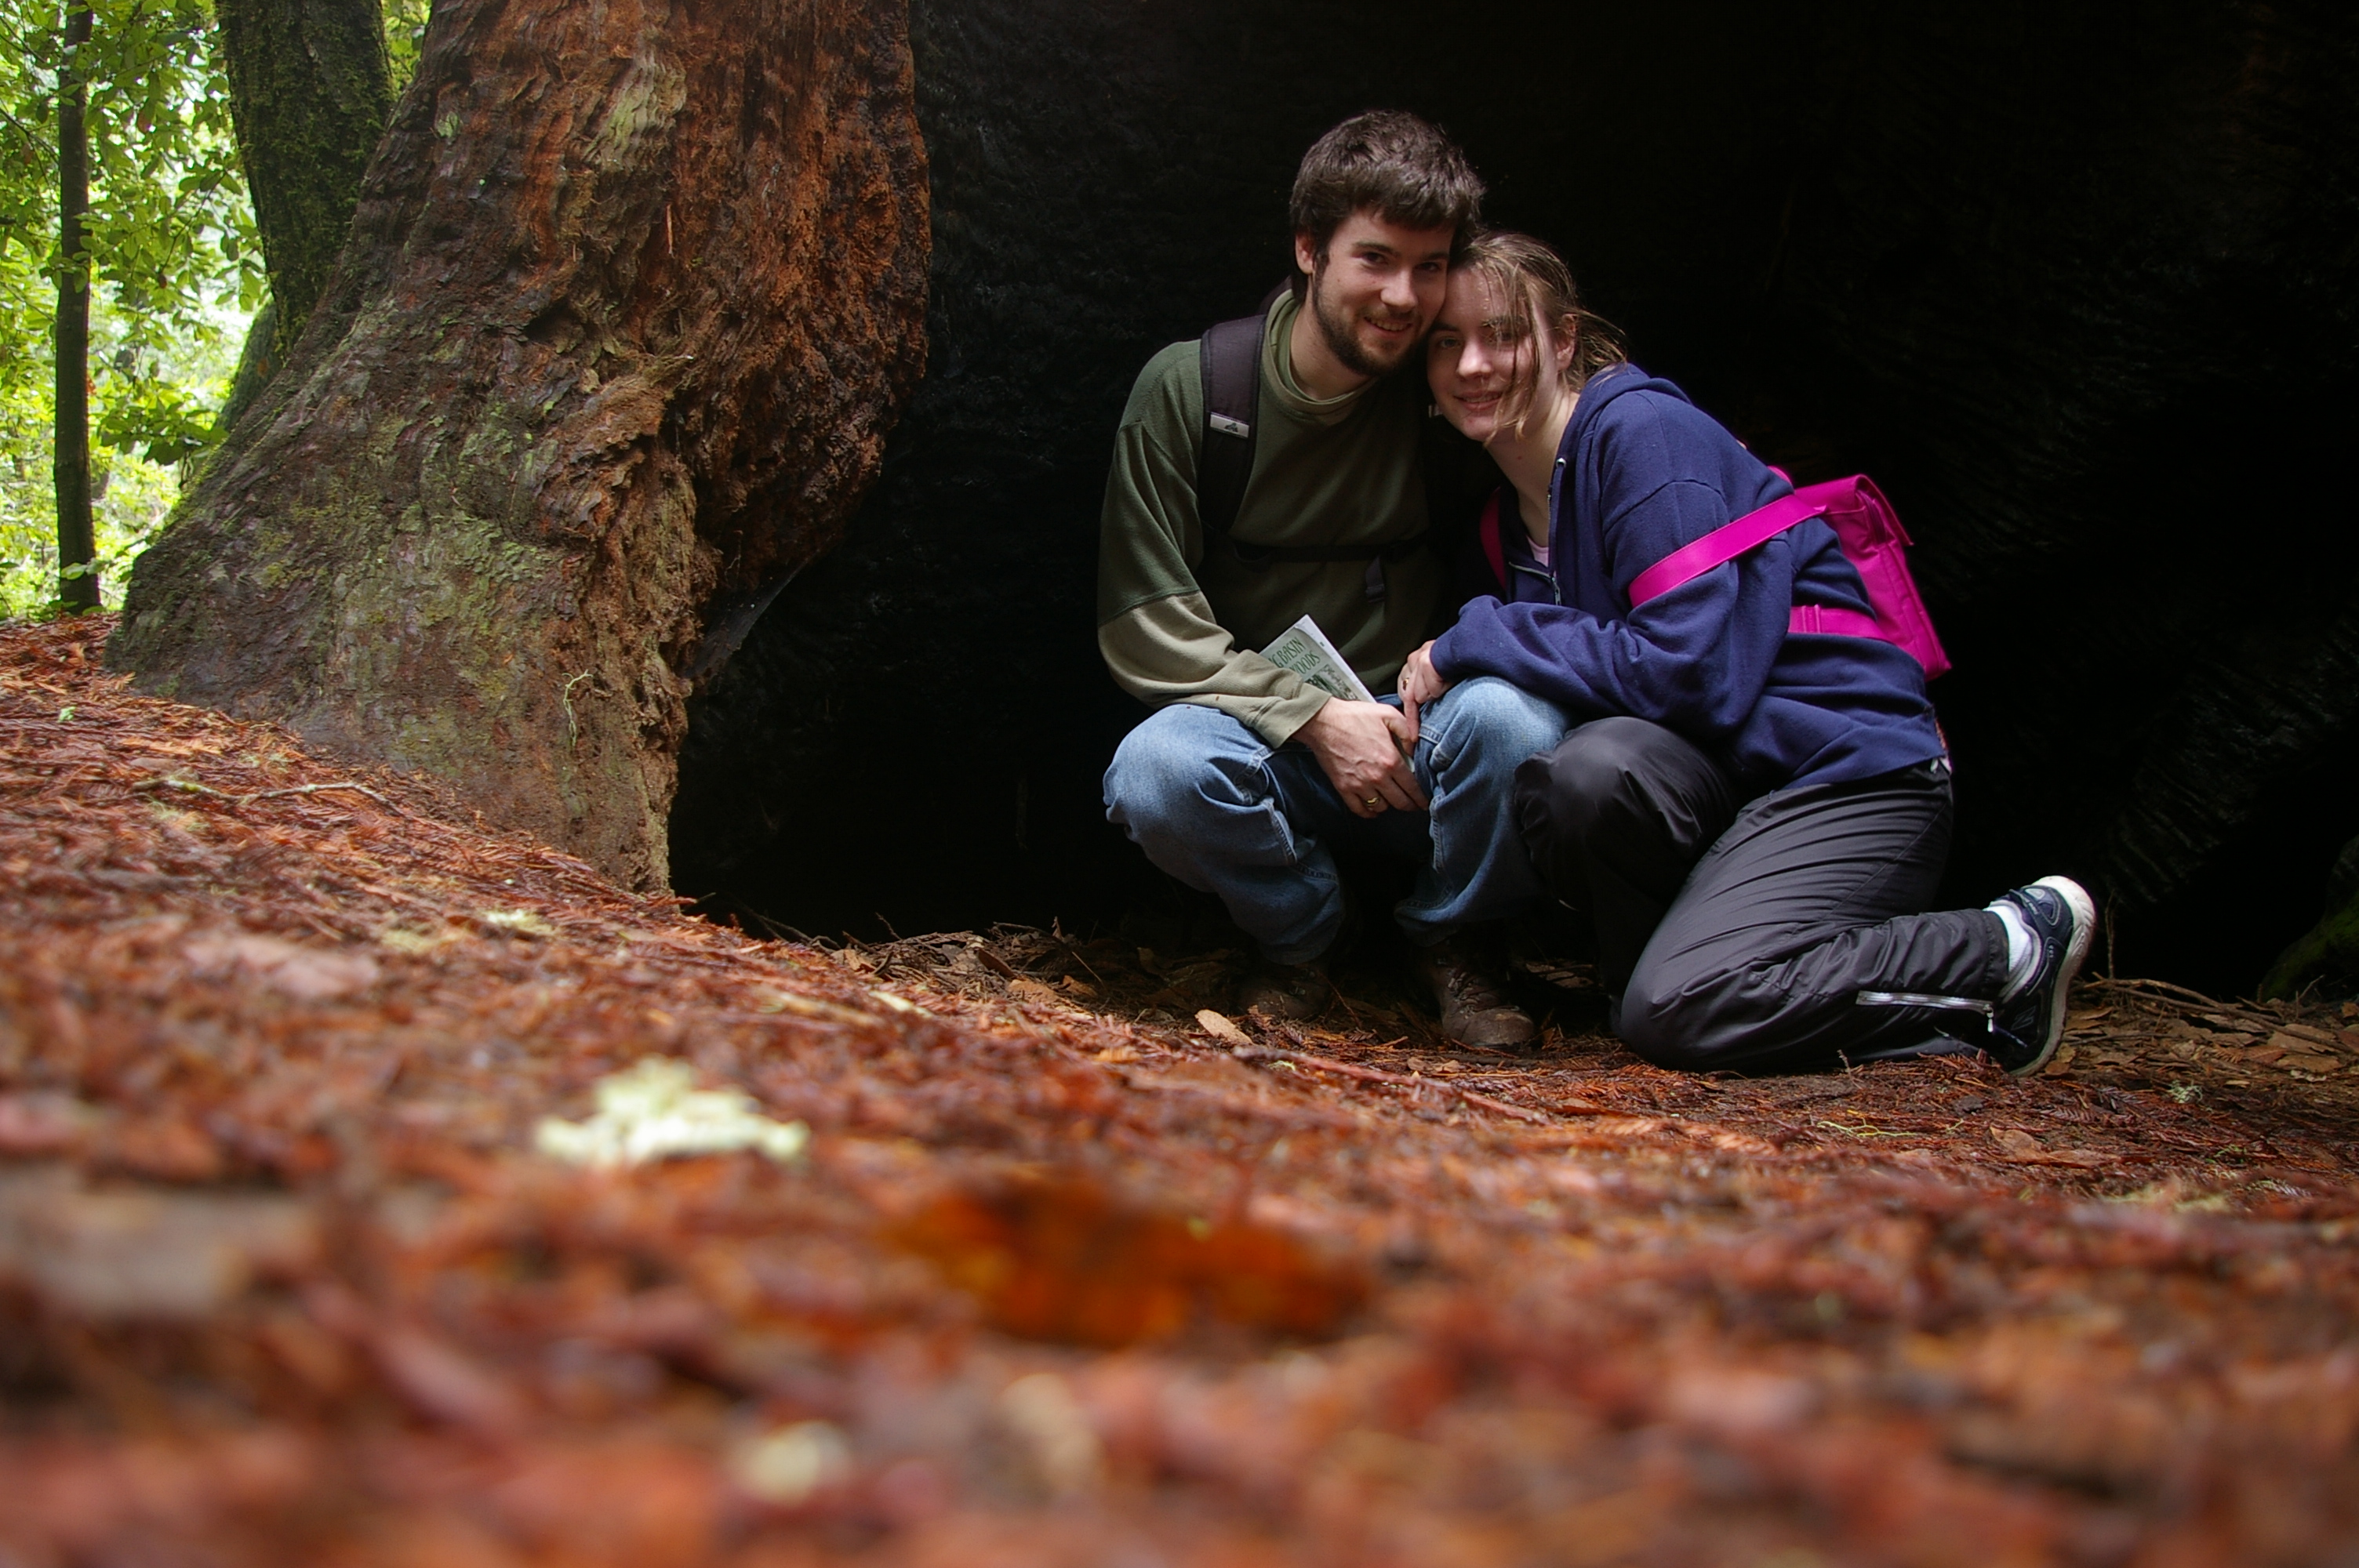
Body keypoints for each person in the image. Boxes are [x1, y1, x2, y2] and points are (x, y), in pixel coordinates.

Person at [1398, 230, 2094, 1074]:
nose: (1472, 363)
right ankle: (1677, 991)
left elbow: (1685, 676)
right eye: (1446, 342)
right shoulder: (1498, 526)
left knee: (1677, 1010)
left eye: (1502, 333)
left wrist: (1477, 632)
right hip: (1724, 785)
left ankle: (2006, 946)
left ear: (1564, 338)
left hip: (1848, 775)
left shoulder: (1641, 432)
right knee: (1585, 773)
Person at [1097, 114, 1569, 1048]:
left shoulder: (1445, 385)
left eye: (1428, 266)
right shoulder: (1197, 392)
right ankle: (1303, 938)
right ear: (1308, 250)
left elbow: (1540, 505)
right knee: (1157, 770)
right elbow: (1144, 618)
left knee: (1520, 724)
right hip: (1266, 741)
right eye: (1375, 259)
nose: (1403, 297)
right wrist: (1311, 717)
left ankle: (1451, 938)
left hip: (1429, 739)